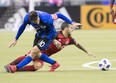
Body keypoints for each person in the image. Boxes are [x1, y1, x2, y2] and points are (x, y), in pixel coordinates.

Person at [4, 22, 95, 72]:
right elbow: (45, 36)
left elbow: (78, 44)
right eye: (71, 28)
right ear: (65, 28)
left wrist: (87, 52)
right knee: (29, 56)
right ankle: (11, 65)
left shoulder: (70, 39)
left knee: (37, 66)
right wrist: (54, 40)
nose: (72, 29)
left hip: (45, 55)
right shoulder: (55, 33)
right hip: (41, 48)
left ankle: (18, 69)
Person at [6, 11, 79, 73]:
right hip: (39, 35)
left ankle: (16, 68)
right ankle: (54, 63)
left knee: (33, 51)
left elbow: (59, 15)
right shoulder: (26, 18)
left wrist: (71, 23)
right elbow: (22, 27)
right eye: (35, 22)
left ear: (38, 16)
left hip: (49, 35)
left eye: (38, 20)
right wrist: (16, 39)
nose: (37, 22)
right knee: (36, 54)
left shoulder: (46, 18)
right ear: (30, 20)